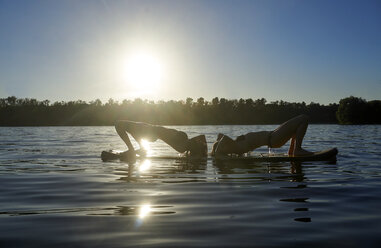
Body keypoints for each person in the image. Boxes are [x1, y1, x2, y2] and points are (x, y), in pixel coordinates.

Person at [211, 115, 313, 157]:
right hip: (273, 139)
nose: (223, 142)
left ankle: (293, 151)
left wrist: (213, 149)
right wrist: (216, 153)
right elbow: (223, 138)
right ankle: (297, 150)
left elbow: (220, 136)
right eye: (221, 145)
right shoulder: (234, 147)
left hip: (272, 135)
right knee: (303, 118)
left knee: (295, 126)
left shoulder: (235, 145)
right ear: (223, 148)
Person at [115, 120, 207, 157]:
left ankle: (199, 142)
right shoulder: (133, 129)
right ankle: (198, 144)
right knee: (181, 148)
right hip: (165, 132)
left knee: (181, 148)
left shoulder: (130, 127)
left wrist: (131, 150)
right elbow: (137, 138)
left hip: (161, 132)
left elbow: (135, 135)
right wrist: (136, 150)